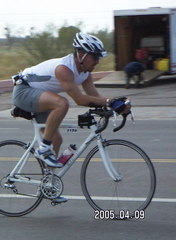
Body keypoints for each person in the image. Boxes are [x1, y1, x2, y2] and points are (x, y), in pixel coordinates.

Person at [12, 33, 131, 202]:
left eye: (99, 57)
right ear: (81, 55)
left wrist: (114, 107)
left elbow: (93, 97)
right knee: (62, 103)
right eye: (94, 57)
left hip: (43, 96)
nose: (97, 61)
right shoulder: (64, 69)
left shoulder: (85, 73)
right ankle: (43, 149)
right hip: (23, 91)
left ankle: (48, 185)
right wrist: (110, 102)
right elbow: (80, 100)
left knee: (57, 140)